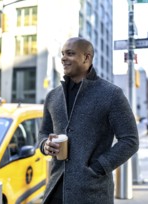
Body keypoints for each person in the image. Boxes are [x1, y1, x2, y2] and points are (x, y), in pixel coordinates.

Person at [38, 37, 139, 204]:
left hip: (92, 193)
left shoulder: (112, 94)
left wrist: (98, 168)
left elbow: (130, 140)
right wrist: (44, 145)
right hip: (55, 191)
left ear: (87, 57)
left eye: (70, 54)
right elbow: (43, 133)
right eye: (63, 54)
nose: (63, 58)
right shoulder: (52, 96)